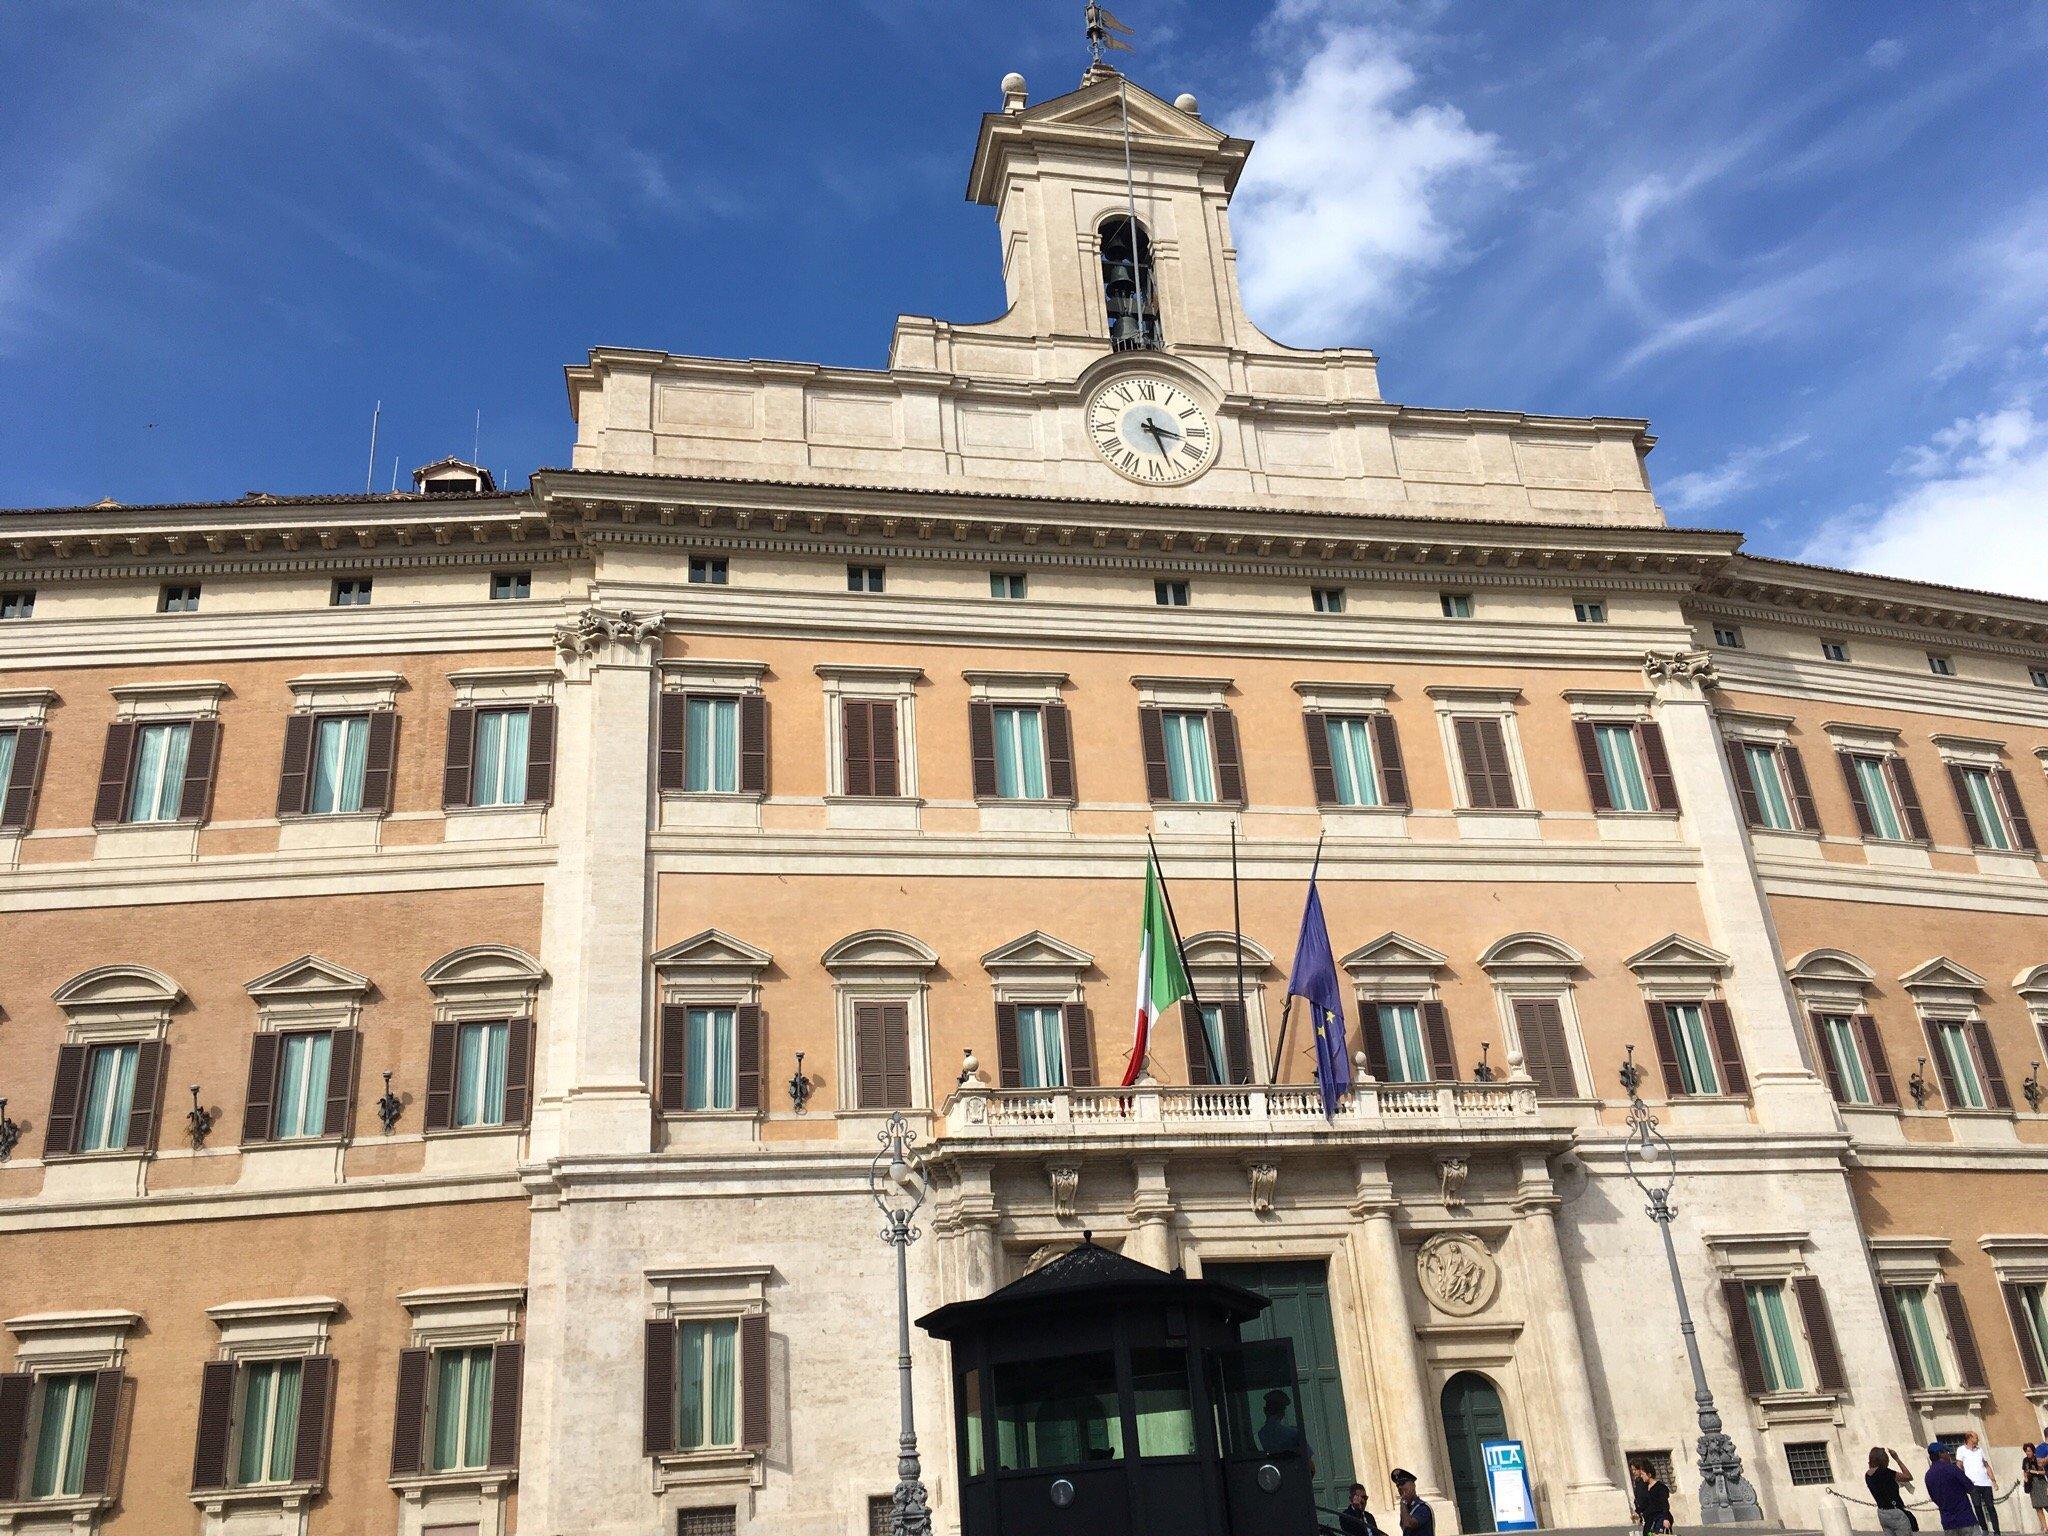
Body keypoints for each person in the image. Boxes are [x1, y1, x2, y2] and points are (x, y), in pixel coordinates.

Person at [1931, 1441, 1985, 1536]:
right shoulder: (1952, 1469)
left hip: (1948, 1523)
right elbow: (1970, 1488)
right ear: (1941, 1454)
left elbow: (1934, 1498)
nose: (1949, 1455)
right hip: (1965, 1519)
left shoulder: (1928, 1476)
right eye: (1946, 1452)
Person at [1257, 1388, 1314, 1477]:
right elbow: (1310, 1467)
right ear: (1282, 1412)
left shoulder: (1260, 1434)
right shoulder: (1293, 1433)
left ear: (1265, 1410)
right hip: (1294, 1477)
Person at [1869, 1446, 1918, 1536]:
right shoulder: (1886, 1473)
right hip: (1895, 1512)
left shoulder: (1868, 1475)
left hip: (1882, 1512)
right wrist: (1897, 1459)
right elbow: (1908, 1476)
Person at [1961, 1431, 2001, 1534]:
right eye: (1976, 1437)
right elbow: (1959, 1466)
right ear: (1970, 1438)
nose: (1977, 1439)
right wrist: (1962, 1482)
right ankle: (1984, 1529)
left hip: (1985, 1483)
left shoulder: (1980, 1450)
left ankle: (1997, 1531)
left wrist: (1993, 1480)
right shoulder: (1961, 1450)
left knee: (1990, 1507)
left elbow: (1986, 1465)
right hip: (1973, 1484)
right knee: (1977, 1507)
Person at [1632, 1460, 1675, 1535]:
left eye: (1643, 1474)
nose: (1641, 1476)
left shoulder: (1660, 1487)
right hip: (1649, 1519)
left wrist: (1665, 1518)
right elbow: (1644, 1503)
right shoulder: (1645, 1487)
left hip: (1660, 1518)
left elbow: (1664, 1504)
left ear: (1649, 1474)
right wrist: (1637, 1512)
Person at [1393, 1468, 1436, 1536]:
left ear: (1413, 1485)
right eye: (1398, 1486)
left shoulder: (1422, 1507)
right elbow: (1403, 1525)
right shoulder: (1407, 1508)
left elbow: (1408, 1524)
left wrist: (1403, 1502)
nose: (1400, 1487)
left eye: (1403, 1483)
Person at [2021, 1442, 2047, 1534]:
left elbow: (2044, 1472)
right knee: (2038, 1507)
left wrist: (2034, 1472)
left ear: (2033, 1451)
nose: (2028, 1453)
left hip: (2041, 1483)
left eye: (2029, 1451)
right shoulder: (2025, 1460)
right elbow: (2025, 1471)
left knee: (2046, 1504)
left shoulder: (2038, 1459)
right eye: (2026, 1451)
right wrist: (2025, 1478)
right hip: (2032, 1485)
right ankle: (2045, 1528)